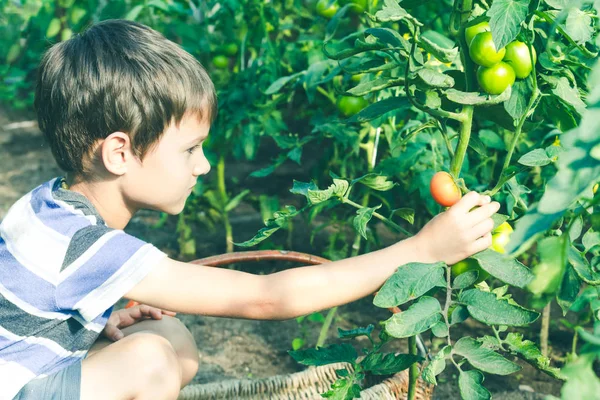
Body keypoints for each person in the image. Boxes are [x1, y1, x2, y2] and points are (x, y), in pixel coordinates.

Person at [0, 19, 500, 400]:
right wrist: (422, 249)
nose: (204, 165)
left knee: (168, 337)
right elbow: (266, 298)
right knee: (148, 359)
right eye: (190, 149)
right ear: (119, 153)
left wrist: (88, 322)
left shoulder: (47, 205)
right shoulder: (89, 245)